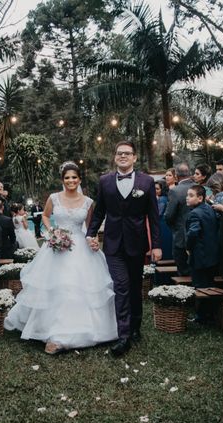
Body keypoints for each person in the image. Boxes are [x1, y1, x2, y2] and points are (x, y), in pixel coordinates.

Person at [5, 163, 118, 353]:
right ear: (62, 180)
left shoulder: (88, 202)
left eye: (74, 177)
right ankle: (52, 331)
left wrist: (94, 241)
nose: (71, 181)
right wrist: (53, 232)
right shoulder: (53, 198)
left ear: (79, 180)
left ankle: (81, 329)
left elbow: (90, 227)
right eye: (67, 177)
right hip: (56, 247)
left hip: (80, 248)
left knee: (79, 286)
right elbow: (46, 217)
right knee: (57, 286)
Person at [86, 140, 161, 357]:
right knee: (122, 286)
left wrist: (156, 245)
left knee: (135, 287)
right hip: (113, 243)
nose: (123, 156)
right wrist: (90, 233)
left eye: (127, 153)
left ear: (135, 157)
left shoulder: (146, 182)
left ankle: (136, 326)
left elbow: (154, 217)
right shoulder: (105, 181)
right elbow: (99, 212)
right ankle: (124, 336)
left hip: (137, 243)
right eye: (119, 153)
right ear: (115, 157)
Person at [185, 185, 219, 322]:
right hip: (212, 255)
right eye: (187, 194)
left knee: (200, 286)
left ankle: (201, 316)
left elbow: (193, 232)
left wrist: (188, 247)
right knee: (209, 284)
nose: (187, 197)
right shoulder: (209, 210)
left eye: (191, 195)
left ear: (200, 198)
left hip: (200, 255)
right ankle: (208, 314)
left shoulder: (194, 213)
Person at [164, 163, 194, 275]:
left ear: (176, 175)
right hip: (199, 235)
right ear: (189, 173)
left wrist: (174, 227)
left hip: (181, 235)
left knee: (183, 270)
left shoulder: (175, 191)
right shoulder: (199, 188)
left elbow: (169, 215)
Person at [155, 179, 172, 261]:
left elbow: (158, 214)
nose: (155, 191)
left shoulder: (161, 200)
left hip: (162, 227)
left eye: (157, 189)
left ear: (163, 189)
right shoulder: (165, 198)